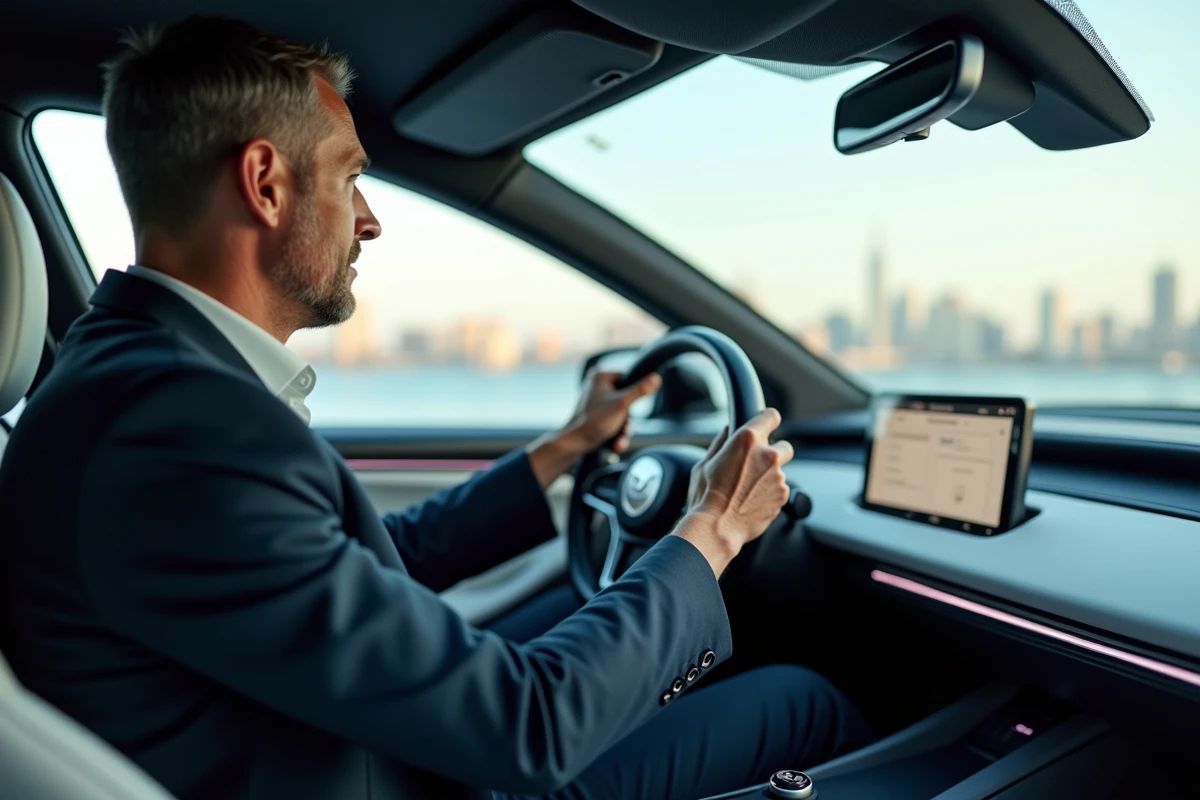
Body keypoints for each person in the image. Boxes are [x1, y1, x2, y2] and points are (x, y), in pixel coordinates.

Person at [0, 16, 870, 800]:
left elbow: (372, 561)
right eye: (349, 179)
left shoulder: (134, 383)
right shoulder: (178, 430)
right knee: (801, 704)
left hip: (361, 747)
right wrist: (712, 527)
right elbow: (526, 730)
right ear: (265, 184)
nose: (369, 221)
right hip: (426, 775)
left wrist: (563, 451)